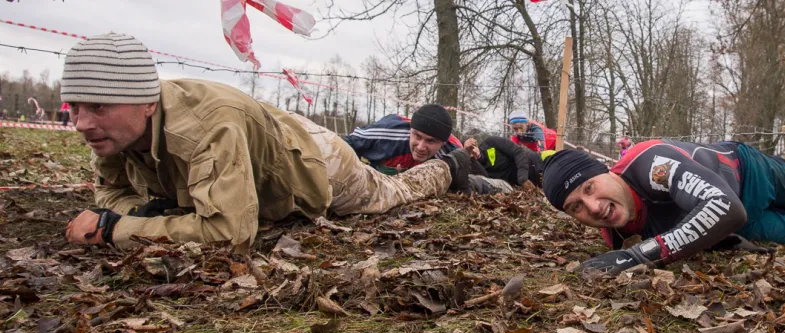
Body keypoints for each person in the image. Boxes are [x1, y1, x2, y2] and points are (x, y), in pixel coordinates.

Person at [61, 33, 462, 252]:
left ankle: (450, 167)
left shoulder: (205, 127)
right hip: (276, 136)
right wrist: (145, 210)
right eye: (75, 107)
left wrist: (119, 228)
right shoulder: (115, 132)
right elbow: (110, 190)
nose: (81, 123)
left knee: (395, 190)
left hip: (321, 163)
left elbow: (230, 232)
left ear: (146, 103)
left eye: (98, 106)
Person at [542, 139, 785, 275]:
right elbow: (731, 218)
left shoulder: (649, 164)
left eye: (590, 188)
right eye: (575, 207)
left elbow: (724, 206)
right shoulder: (616, 237)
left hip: (752, 173)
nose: (592, 208)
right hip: (740, 224)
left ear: (606, 170)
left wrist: (639, 255)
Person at [345, 112, 512, 195]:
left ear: (443, 142)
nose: (421, 146)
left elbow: (475, 178)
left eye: (431, 141)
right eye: (417, 136)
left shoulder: (452, 149)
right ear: (411, 131)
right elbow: (348, 143)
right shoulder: (385, 134)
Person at [463, 136, 541, 191]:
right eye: (468, 152)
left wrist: (523, 179)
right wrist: (473, 159)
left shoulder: (491, 143)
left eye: (471, 147)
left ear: (474, 144)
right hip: (537, 184)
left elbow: (519, 152)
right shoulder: (474, 169)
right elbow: (485, 179)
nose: (472, 151)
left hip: (538, 162)